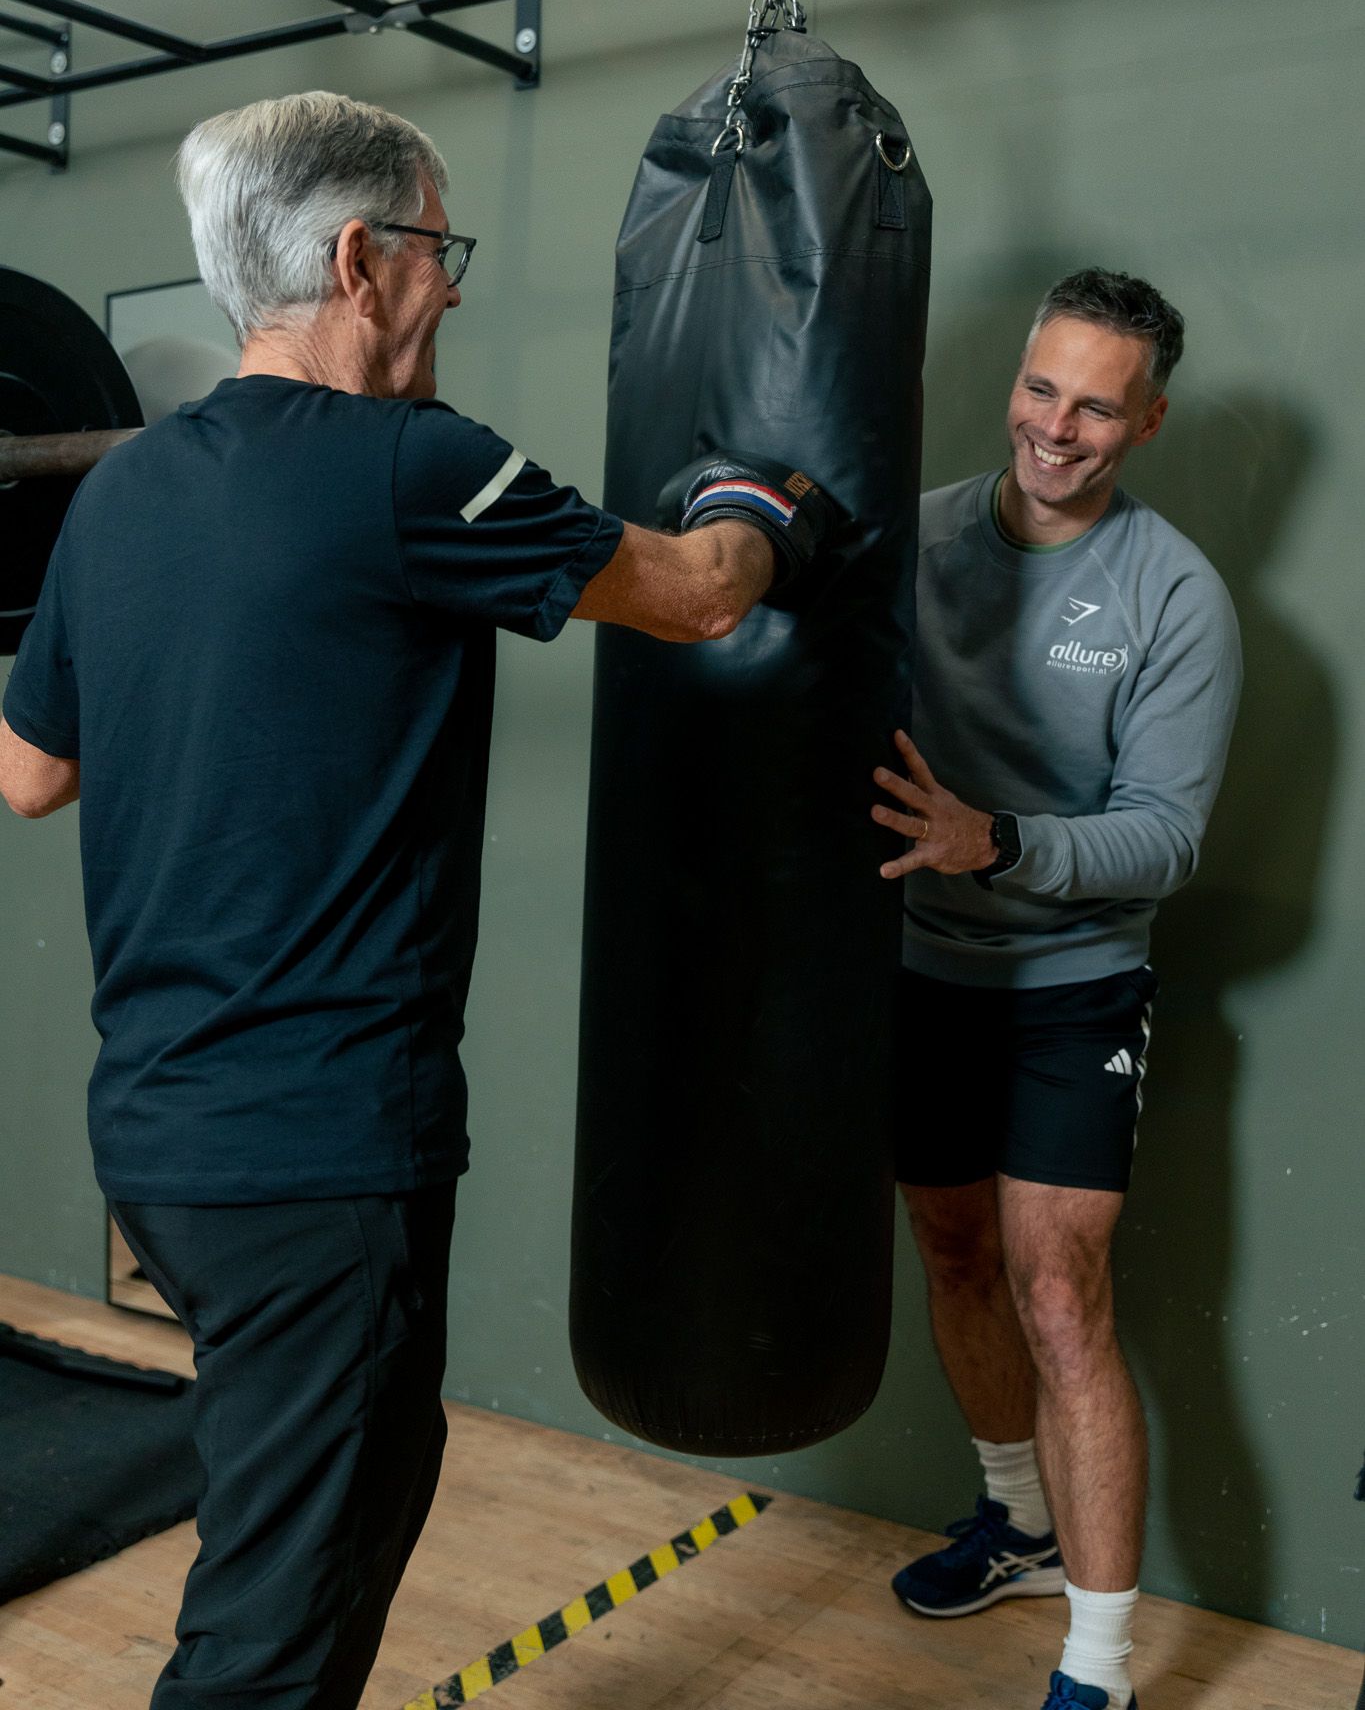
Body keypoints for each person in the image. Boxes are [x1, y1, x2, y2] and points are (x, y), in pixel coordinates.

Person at [0, 90, 835, 1710]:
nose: (448, 286)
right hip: (318, 1156)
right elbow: (691, 596)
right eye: (438, 250)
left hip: (163, 1143)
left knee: (353, 1492)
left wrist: (209, 684)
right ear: (358, 259)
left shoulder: (119, 494)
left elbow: (29, 774)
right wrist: (764, 509)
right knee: (276, 1623)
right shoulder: (420, 468)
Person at [870, 270, 1241, 1710]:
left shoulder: (1174, 595)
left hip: (1072, 986)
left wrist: (1000, 842)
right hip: (919, 969)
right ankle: (1016, 1522)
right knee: (953, 1251)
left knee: (1060, 1294)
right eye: (1042, 388)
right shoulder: (918, 539)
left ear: (1146, 423)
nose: (1055, 427)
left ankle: (1099, 1669)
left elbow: (1166, 835)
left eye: (1096, 407)